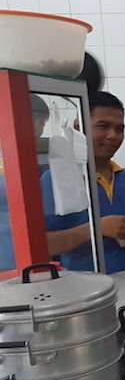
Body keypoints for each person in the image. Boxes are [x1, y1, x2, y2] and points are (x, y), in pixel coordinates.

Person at [40, 91, 125, 273]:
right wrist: (96, 229)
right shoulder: (56, 180)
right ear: (79, 129)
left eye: (119, 129)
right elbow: (44, 245)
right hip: (91, 286)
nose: (113, 136)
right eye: (103, 126)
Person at [0, 94, 52, 272]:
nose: (41, 129)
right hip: (13, 251)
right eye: (42, 123)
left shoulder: (31, 155)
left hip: (26, 248)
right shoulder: (19, 153)